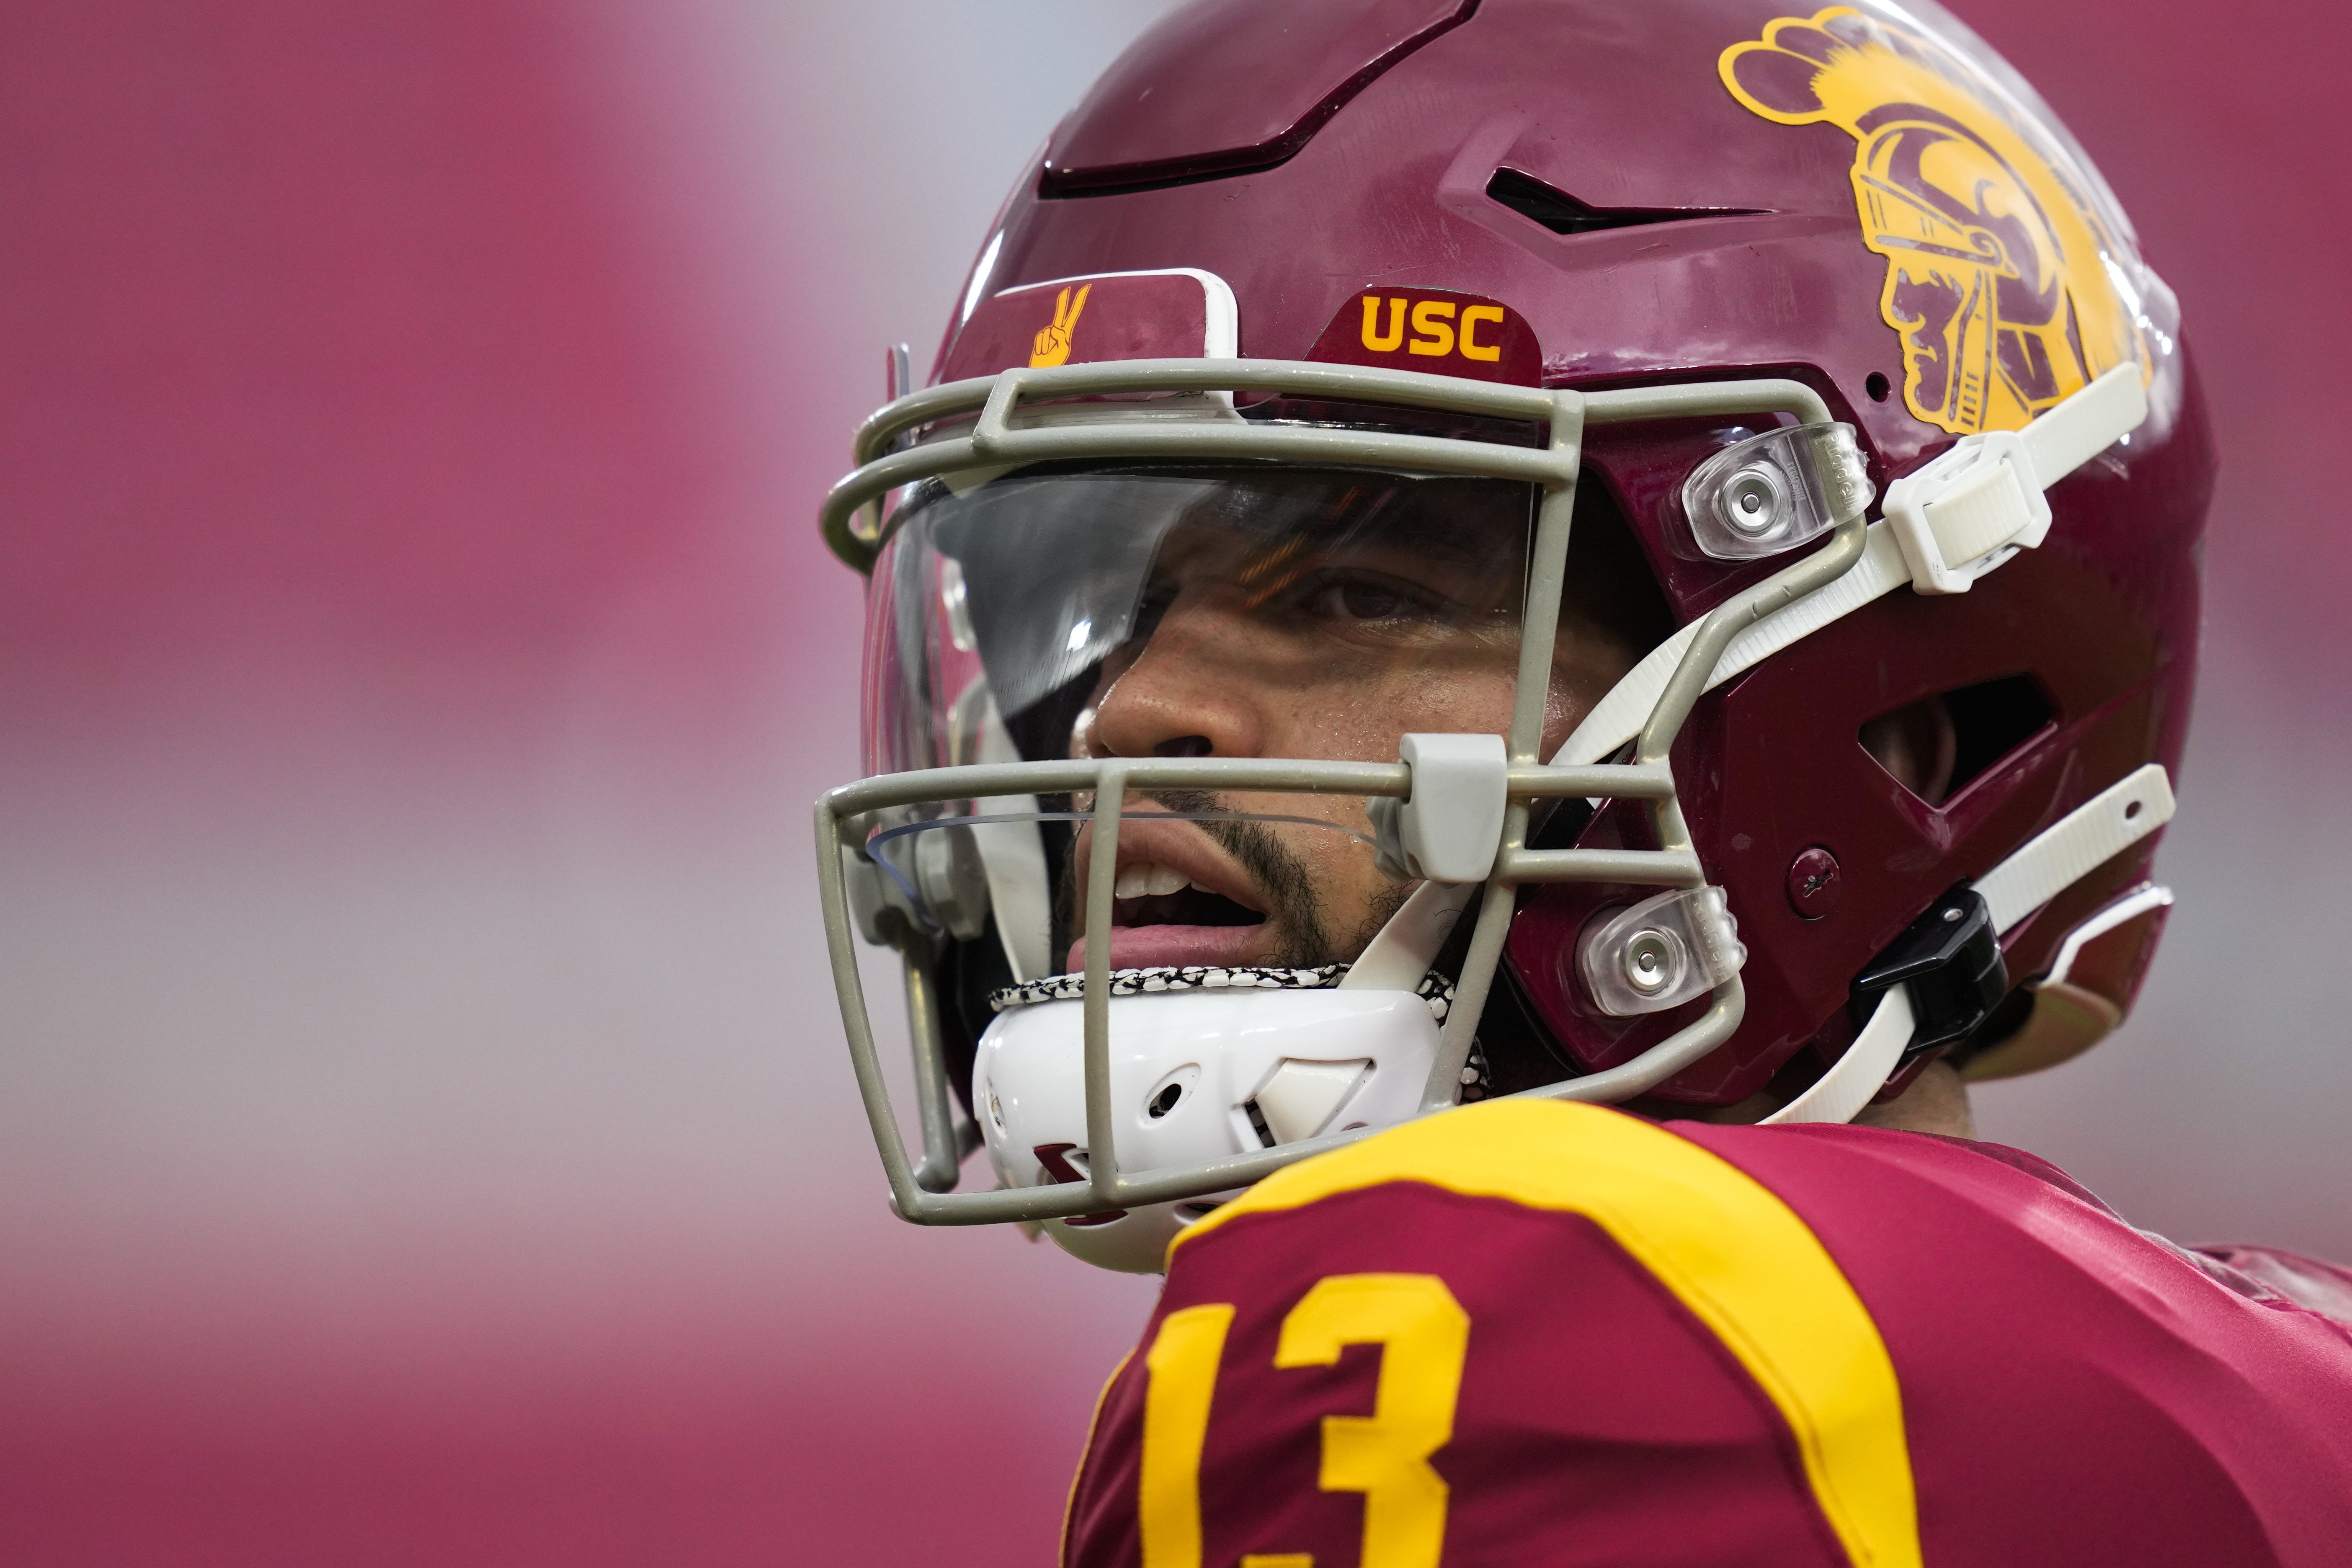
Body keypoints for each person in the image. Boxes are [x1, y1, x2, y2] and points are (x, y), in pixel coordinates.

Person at [810, 1, 2352, 1561]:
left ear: (1893, 747)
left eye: (1360, 596)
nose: (1127, 717)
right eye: (1112, 622)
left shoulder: (1511, 1333)